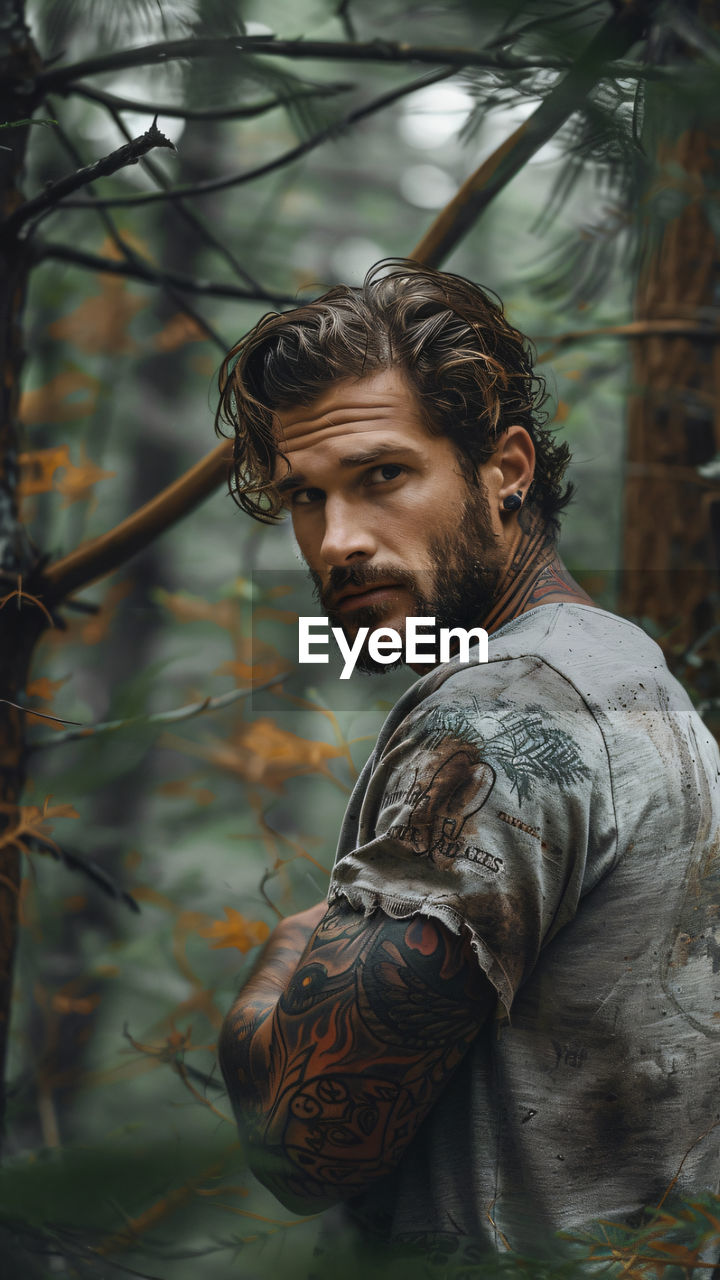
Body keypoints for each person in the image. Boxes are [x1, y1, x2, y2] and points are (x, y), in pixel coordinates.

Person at [214, 261, 720, 1263]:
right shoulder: (624, 666)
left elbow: (306, 1146)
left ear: (507, 468)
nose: (339, 541)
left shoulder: (504, 711)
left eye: (383, 475)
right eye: (306, 496)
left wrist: (279, 962)